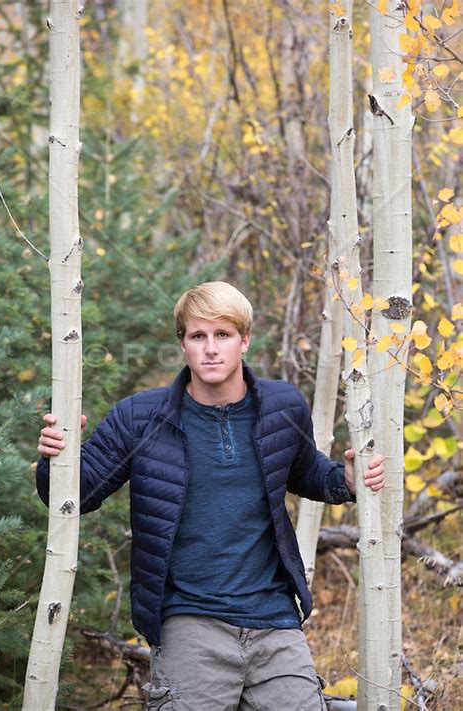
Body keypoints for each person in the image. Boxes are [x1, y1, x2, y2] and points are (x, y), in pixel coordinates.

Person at [37, 281, 385, 711]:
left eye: (222, 335)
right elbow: (78, 493)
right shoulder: (139, 417)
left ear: (244, 340)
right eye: (198, 336)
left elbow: (303, 470)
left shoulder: (282, 405)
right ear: (182, 344)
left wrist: (345, 480)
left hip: (274, 618)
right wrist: (59, 457)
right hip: (189, 619)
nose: (211, 349)